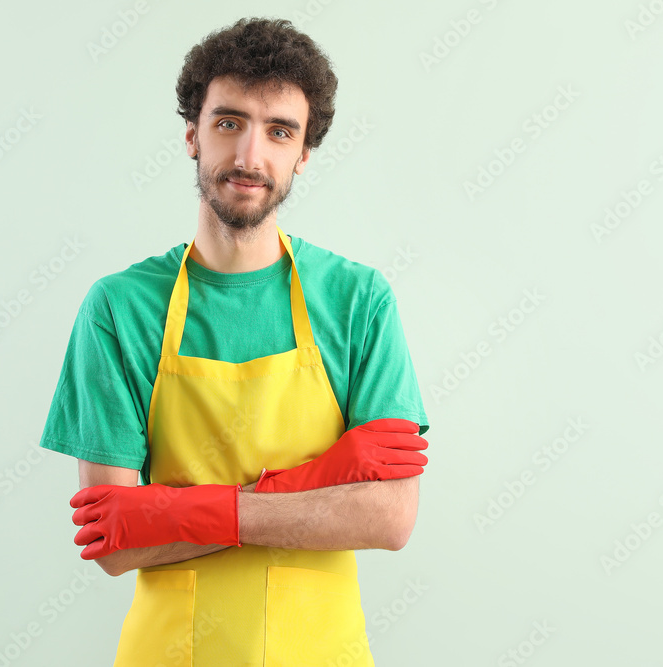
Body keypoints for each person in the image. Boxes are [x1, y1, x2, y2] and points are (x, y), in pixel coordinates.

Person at [39, 17, 431, 666]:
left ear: (305, 152)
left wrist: (174, 511)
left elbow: (389, 517)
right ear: (192, 135)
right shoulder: (120, 308)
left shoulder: (358, 300)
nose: (251, 156)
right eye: (228, 123)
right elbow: (115, 542)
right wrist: (320, 486)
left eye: (280, 131)